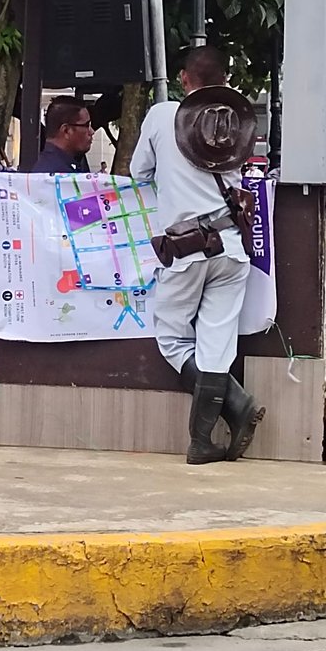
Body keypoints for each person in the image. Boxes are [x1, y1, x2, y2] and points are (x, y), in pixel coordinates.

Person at [130, 46, 265, 465]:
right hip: (231, 247)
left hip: (187, 249)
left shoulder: (162, 116)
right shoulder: (237, 121)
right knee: (217, 343)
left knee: (172, 339)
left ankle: (231, 412)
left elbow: (138, 172)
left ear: (184, 79)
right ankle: (203, 439)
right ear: (224, 80)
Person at [32, 97, 94, 174]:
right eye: (86, 125)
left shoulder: (49, 165)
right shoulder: (56, 173)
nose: (92, 131)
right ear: (66, 130)